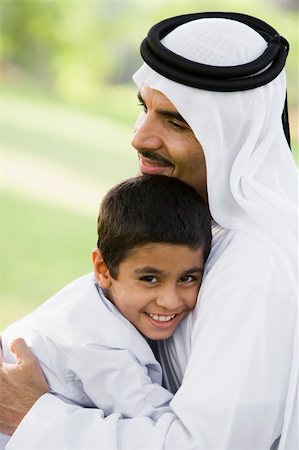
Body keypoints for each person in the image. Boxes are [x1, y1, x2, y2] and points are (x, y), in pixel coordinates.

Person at [0, 11, 298, 450]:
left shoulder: (254, 265)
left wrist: (31, 416)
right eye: (145, 109)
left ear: (233, 137)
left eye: (176, 122)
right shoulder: (202, 229)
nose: (140, 137)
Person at [0, 174, 211, 449]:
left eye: (187, 278)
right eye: (149, 279)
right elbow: (165, 430)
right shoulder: (100, 350)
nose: (170, 301)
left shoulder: (92, 298)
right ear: (103, 269)